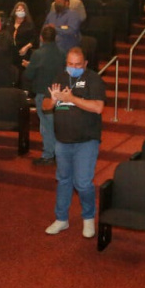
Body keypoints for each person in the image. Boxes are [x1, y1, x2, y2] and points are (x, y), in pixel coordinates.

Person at [42, 47, 105, 238]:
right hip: (62, 140)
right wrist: (52, 101)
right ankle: (61, 219)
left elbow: (98, 107)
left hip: (86, 140)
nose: (74, 67)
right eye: (70, 64)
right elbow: (45, 106)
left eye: (78, 65)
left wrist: (71, 98)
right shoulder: (60, 77)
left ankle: (88, 218)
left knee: (83, 183)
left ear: (85, 64)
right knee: (63, 180)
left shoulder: (94, 79)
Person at [24, 25, 63, 166]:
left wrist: (29, 66)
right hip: (58, 94)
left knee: (46, 126)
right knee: (53, 125)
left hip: (42, 94)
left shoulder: (38, 54)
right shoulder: (62, 53)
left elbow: (29, 74)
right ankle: (56, 153)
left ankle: (48, 155)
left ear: (41, 37)